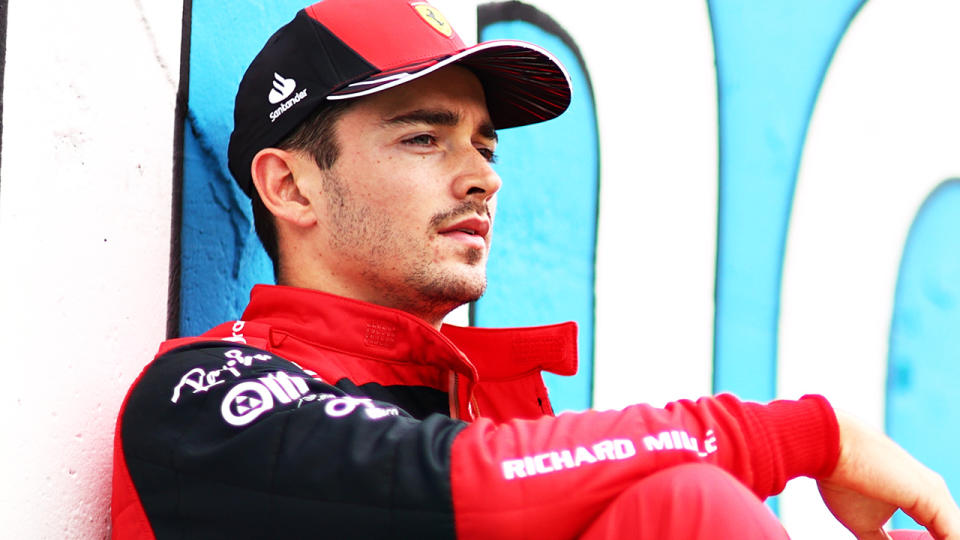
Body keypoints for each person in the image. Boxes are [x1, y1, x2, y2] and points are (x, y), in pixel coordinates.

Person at [111, 1, 960, 538]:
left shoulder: (488, 411)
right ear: (291, 185)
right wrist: (806, 435)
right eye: (423, 137)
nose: (483, 175)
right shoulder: (200, 400)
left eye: (483, 145)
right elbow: (442, 481)